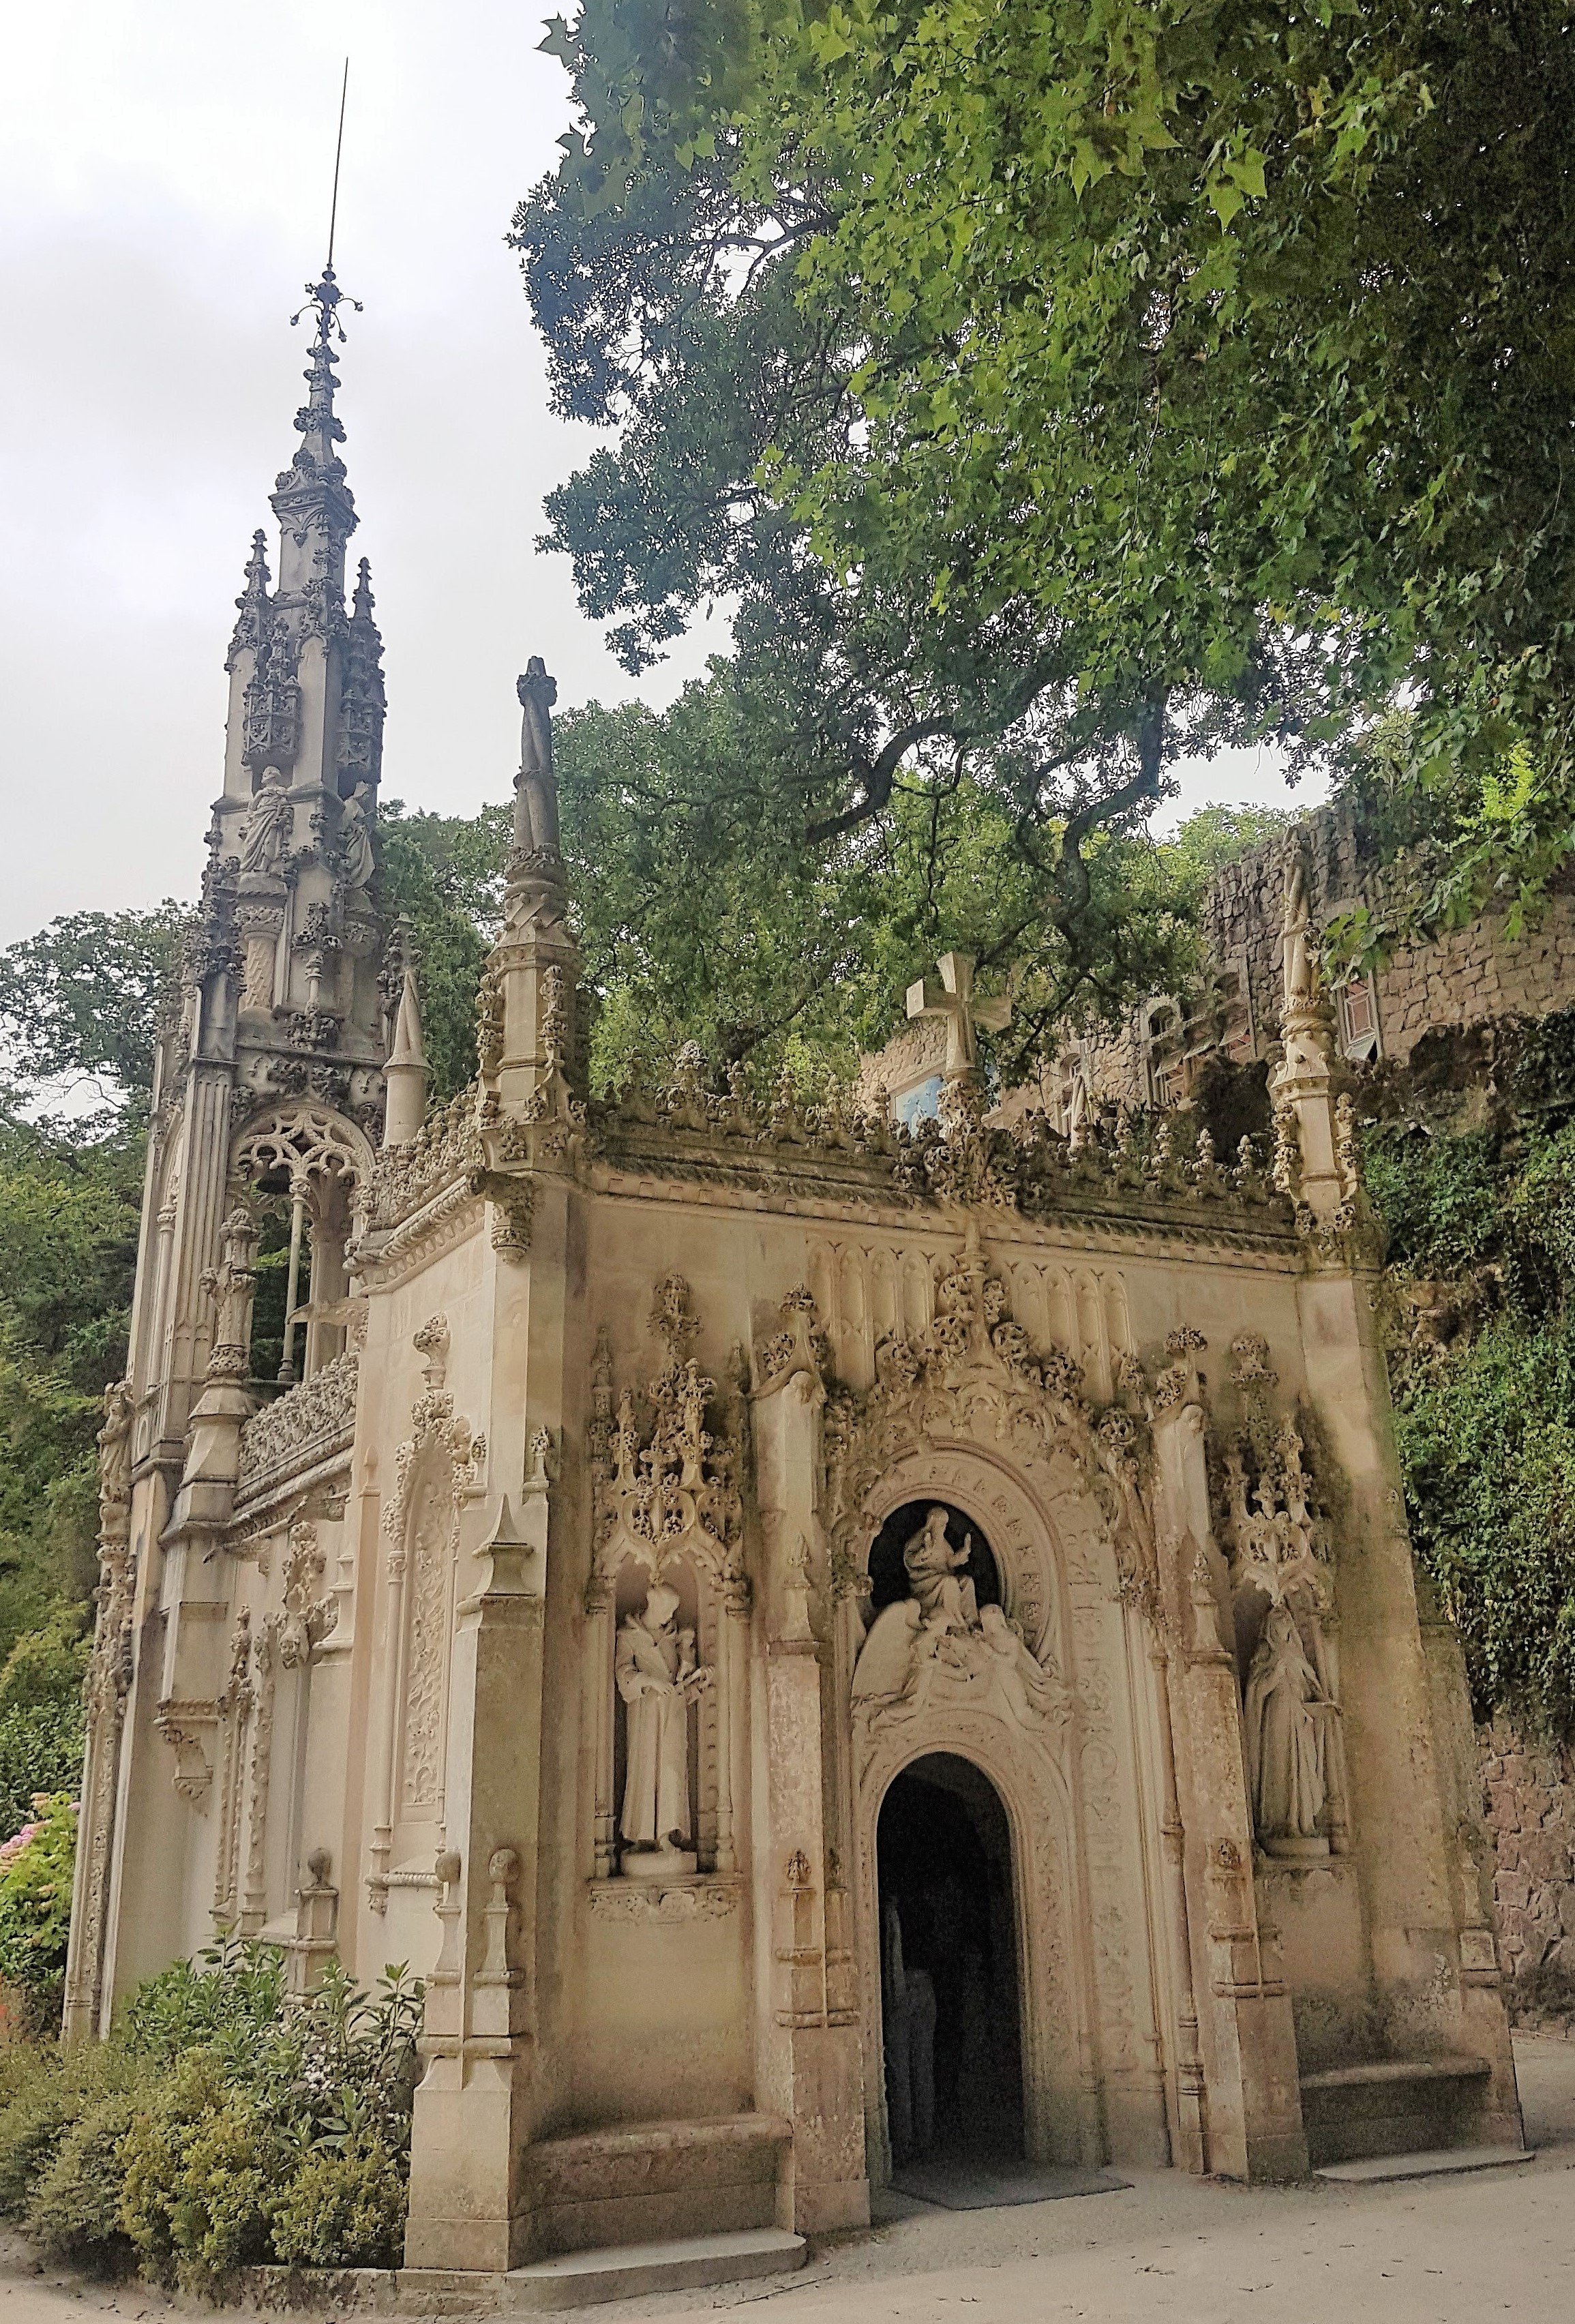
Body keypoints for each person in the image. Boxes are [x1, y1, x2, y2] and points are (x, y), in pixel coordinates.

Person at [616, 1581, 706, 1857]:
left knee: (672, 1772)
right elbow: (623, 1674)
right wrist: (650, 1681)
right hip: (645, 1714)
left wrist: (694, 1685)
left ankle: (667, 1834)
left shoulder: (673, 1638)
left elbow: (679, 1681)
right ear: (655, 1607)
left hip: (672, 1714)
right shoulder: (629, 1636)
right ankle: (641, 1836)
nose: (670, 1618)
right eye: (667, 1611)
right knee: (645, 1770)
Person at [1243, 1603, 1330, 1845]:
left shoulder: (1297, 1655)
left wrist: (1320, 1702)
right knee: (1281, 1766)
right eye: (1277, 1623)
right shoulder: (1265, 1655)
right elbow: (1256, 1691)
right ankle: (1279, 1822)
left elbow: (1311, 1684)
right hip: (1277, 1716)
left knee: (1302, 1765)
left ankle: (1302, 1822)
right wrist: (1275, 1675)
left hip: (1300, 1717)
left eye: (1286, 1622)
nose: (1283, 1627)